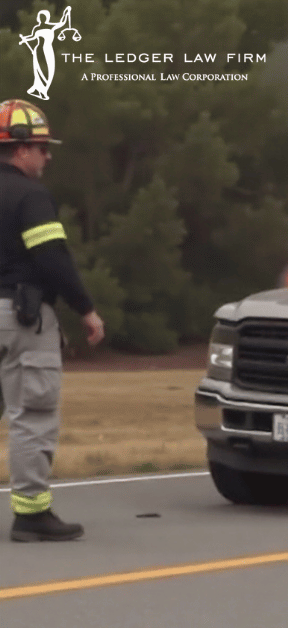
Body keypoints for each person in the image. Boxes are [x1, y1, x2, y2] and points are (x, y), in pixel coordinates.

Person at [0, 99, 104, 542]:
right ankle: (32, 514)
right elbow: (51, 258)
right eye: (42, 148)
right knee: (32, 415)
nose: (47, 157)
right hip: (20, 318)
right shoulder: (31, 196)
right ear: (21, 149)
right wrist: (85, 309)